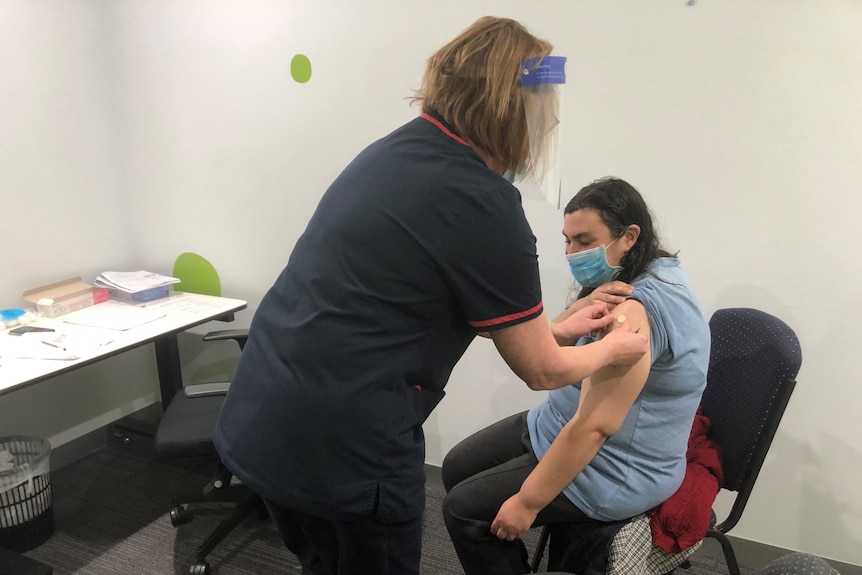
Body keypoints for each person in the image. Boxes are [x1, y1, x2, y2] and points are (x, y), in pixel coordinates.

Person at [212, 18, 648, 575]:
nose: (546, 127)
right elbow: (541, 371)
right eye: (543, 113)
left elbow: (423, 298)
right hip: (347, 445)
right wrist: (612, 351)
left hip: (263, 417)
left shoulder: (393, 153)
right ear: (510, 110)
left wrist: (556, 328)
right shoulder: (483, 201)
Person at [441, 176, 711, 574]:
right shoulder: (632, 275)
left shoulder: (635, 310)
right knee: (455, 468)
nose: (572, 253)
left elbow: (595, 426)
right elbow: (548, 356)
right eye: (567, 240)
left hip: (612, 466)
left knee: (463, 511)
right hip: (554, 423)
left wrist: (528, 503)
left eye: (584, 241)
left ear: (630, 236)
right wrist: (567, 321)